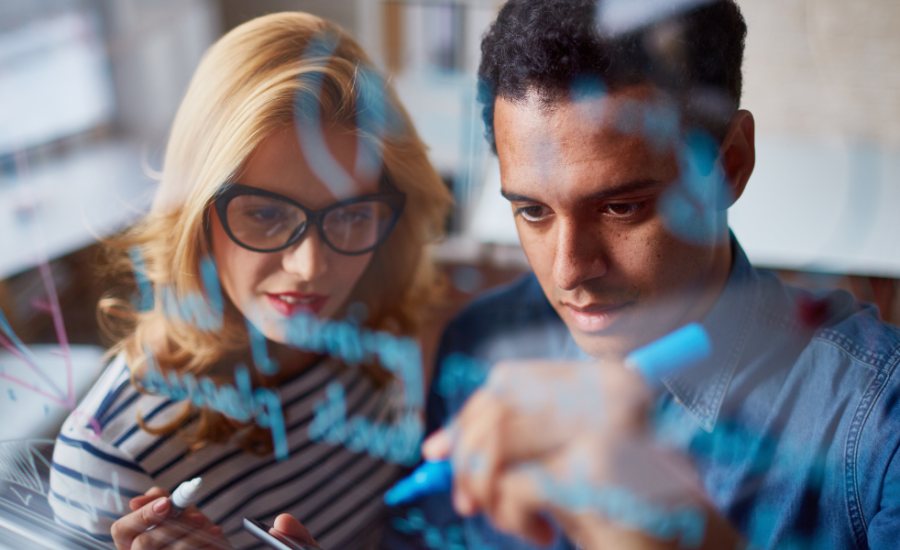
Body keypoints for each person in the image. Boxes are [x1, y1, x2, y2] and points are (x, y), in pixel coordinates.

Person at [371, 0, 900, 549]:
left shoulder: (882, 426)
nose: (569, 269)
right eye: (532, 212)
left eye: (621, 208)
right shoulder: (483, 342)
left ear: (731, 164)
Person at [48, 11, 451, 550]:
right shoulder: (108, 460)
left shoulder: (373, 338)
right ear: (195, 217)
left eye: (352, 216)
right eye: (265, 215)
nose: (310, 268)